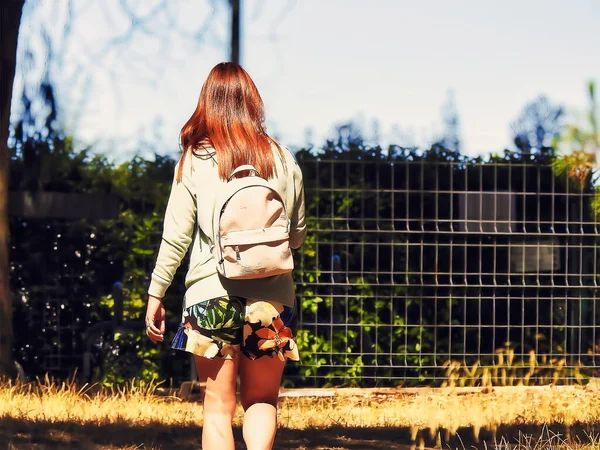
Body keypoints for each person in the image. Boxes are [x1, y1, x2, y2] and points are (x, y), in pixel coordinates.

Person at [144, 62, 306, 450]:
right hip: (272, 301)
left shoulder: (195, 160)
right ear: (254, 103)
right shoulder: (283, 159)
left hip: (208, 298)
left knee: (217, 407)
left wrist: (155, 293)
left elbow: (176, 237)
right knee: (262, 401)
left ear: (208, 104)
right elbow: (296, 238)